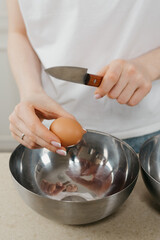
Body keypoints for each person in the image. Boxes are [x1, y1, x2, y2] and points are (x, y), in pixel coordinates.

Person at [7, 0, 160, 155]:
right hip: (51, 134)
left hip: (147, 132)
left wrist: (149, 65)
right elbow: (19, 31)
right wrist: (31, 92)